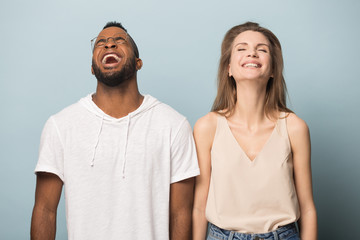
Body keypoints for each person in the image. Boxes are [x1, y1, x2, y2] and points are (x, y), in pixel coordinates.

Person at [31, 21, 199, 240]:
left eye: (120, 41)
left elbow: (181, 213)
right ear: (93, 67)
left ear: (138, 63)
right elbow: (45, 210)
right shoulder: (61, 125)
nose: (109, 44)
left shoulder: (173, 125)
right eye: (100, 43)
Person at [192, 22, 317, 240]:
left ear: (273, 71)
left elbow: (307, 209)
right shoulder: (207, 127)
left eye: (262, 49)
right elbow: (199, 208)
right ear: (228, 68)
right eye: (241, 48)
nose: (252, 52)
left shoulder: (295, 127)